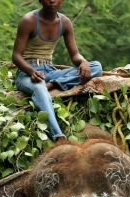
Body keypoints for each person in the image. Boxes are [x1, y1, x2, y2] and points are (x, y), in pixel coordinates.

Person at [13, 0, 103, 141]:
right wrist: (31, 72)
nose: (52, 0)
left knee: (96, 66)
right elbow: (16, 56)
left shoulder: (64, 22)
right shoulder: (29, 20)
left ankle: (54, 84)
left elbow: (75, 55)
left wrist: (83, 61)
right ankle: (58, 136)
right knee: (39, 87)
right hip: (26, 72)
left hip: (50, 71)